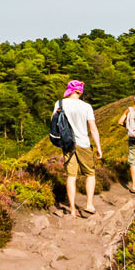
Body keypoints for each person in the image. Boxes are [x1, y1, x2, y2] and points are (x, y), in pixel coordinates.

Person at [49, 79, 104, 217]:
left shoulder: (60, 103)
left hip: (68, 144)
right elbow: (93, 128)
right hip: (84, 143)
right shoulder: (86, 107)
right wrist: (98, 147)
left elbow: (53, 121)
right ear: (79, 91)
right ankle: (89, 204)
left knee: (71, 176)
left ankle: (72, 209)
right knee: (90, 174)